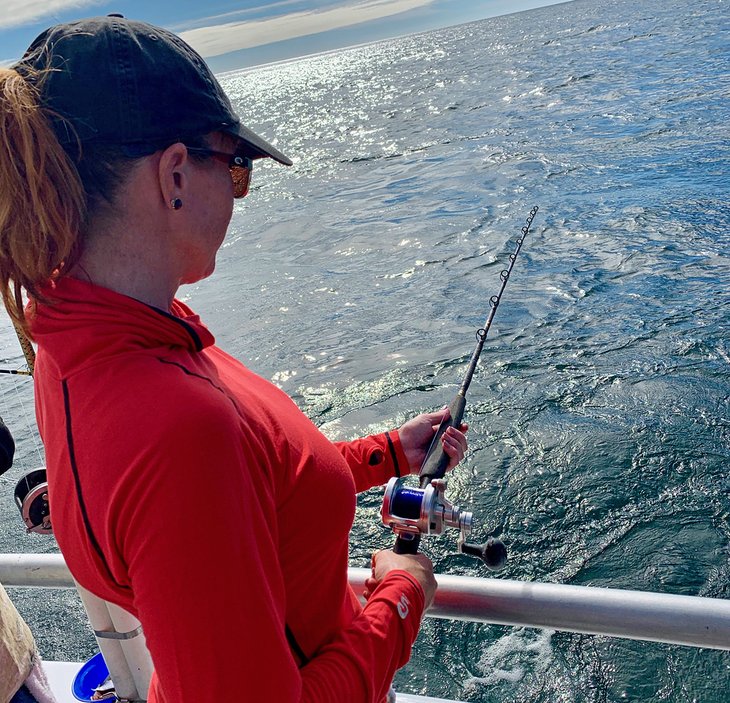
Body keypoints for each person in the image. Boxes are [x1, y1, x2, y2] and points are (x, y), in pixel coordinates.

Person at [0, 15, 468, 703]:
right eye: (237, 167)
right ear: (177, 174)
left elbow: (252, 487)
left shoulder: (79, 350)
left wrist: (388, 452)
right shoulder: (175, 421)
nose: (239, 192)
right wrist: (400, 595)